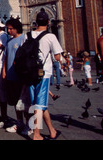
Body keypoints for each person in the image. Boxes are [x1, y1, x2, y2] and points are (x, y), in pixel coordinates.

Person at [28, 10, 62, 140]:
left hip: (29, 73)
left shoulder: (28, 35)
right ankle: (36, 134)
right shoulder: (50, 36)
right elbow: (57, 56)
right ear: (48, 22)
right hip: (43, 73)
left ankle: (52, 131)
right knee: (39, 105)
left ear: (36, 21)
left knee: (39, 103)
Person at [2, 18, 32, 135]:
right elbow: (5, 58)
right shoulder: (9, 42)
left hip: (21, 76)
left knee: (25, 102)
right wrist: (4, 71)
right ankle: (19, 123)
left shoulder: (24, 39)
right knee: (15, 102)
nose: (8, 31)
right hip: (11, 77)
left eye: (10, 28)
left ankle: (29, 125)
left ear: (16, 28)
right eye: (8, 28)